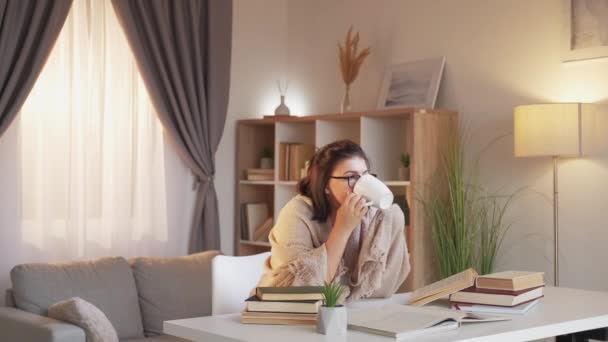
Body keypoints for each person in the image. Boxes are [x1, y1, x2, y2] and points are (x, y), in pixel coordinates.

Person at [256, 139, 410, 301]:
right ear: (325, 185)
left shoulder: (378, 217)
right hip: (283, 311)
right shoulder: (296, 214)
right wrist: (342, 229)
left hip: (352, 312)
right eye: (351, 177)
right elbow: (300, 290)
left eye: (365, 176)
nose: (361, 184)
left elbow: (383, 288)